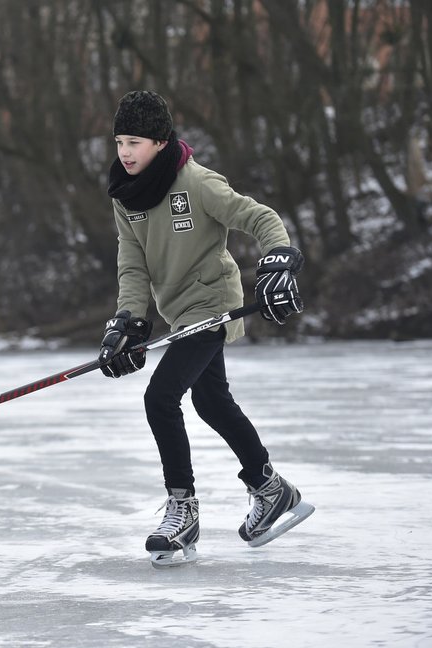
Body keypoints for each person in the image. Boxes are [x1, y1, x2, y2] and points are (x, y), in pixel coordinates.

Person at [97, 90, 314, 567]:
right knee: (210, 399)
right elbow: (132, 266)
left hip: (213, 303)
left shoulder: (196, 183)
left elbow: (259, 217)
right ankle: (270, 488)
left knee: (160, 396)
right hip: (177, 309)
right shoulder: (125, 195)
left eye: (134, 141)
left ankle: (183, 508)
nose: (125, 152)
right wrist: (129, 322)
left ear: (158, 141)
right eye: (119, 142)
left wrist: (278, 260)